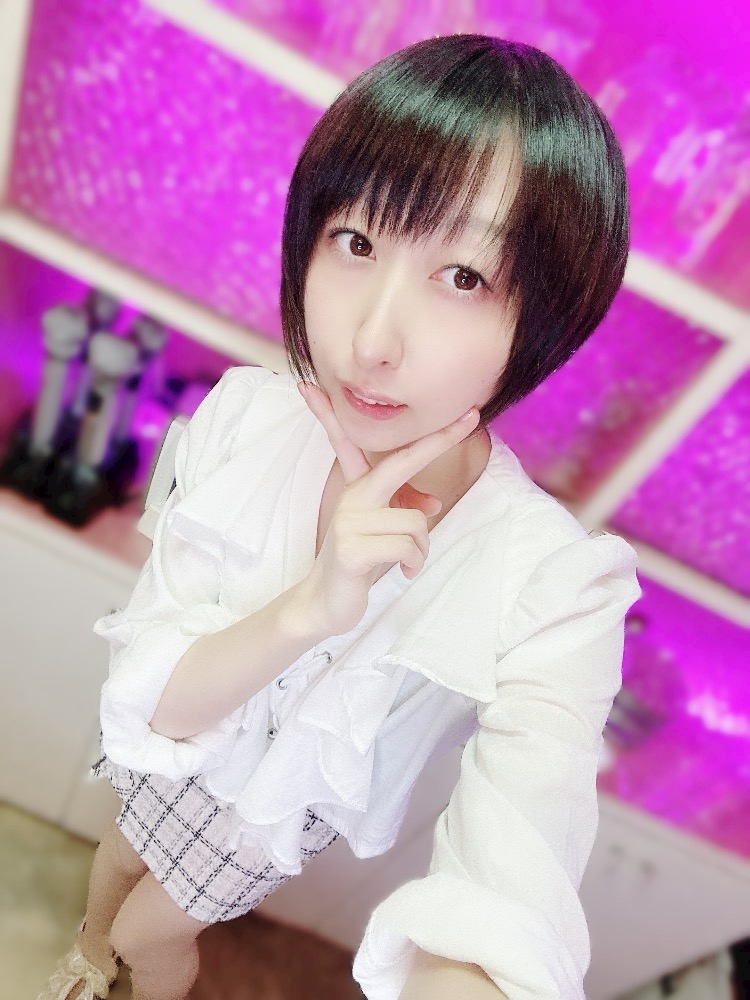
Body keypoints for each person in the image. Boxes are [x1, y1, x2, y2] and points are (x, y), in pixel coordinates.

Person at [39, 33, 640, 1000]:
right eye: (356, 243)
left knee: (153, 931)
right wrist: (310, 608)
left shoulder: (550, 583)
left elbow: (516, 876)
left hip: (264, 815)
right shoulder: (246, 418)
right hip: (185, 737)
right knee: (116, 855)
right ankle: (84, 958)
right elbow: (156, 705)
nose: (371, 341)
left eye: (465, 276)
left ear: (548, 317)